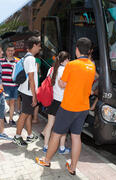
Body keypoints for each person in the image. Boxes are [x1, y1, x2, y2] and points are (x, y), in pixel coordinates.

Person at [35, 37, 96, 176]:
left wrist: (71, 82)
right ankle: (73, 167)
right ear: (89, 51)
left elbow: (62, 84)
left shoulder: (72, 65)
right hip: (83, 107)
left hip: (69, 106)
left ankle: (46, 160)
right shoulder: (91, 66)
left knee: (56, 134)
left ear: (77, 49)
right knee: (76, 137)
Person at [40, 51, 71, 154]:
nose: (69, 61)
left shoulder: (51, 69)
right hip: (63, 102)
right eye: (68, 59)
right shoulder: (65, 70)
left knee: (49, 124)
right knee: (63, 126)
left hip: (53, 101)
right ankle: (61, 148)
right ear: (65, 60)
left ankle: (45, 146)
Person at [13, 36, 41, 147]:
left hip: (24, 90)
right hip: (28, 92)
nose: (39, 49)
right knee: (24, 115)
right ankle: (17, 136)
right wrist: (34, 96)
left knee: (28, 114)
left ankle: (29, 135)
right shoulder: (31, 59)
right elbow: (31, 79)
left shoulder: (26, 57)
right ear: (34, 45)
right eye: (38, 46)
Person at [0, 43, 19, 126]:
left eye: (12, 50)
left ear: (14, 51)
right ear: (6, 51)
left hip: (14, 86)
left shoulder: (17, 62)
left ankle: (11, 119)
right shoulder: (1, 61)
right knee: (5, 103)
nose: (10, 52)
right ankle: (3, 117)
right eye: (9, 50)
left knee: (12, 103)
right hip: (4, 86)